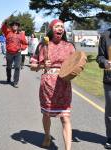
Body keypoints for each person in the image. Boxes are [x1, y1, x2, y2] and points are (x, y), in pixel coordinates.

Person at [30, 19, 75, 150]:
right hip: (47, 84)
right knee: (46, 114)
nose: (60, 28)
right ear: (51, 29)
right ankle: (47, 135)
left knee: (65, 117)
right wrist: (41, 65)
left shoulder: (69, 46)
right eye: (57, 26)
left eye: (62, 26)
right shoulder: (42, 45)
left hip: (64, 84)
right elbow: (32, 66)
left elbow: (76, 63)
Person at [1, 16, 28, 88]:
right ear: (11, 26)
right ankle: (8, 78)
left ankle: (15, 82)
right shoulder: (7, 32)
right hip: (9, 53)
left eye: (16, 25)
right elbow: (3, 27)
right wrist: (6, 21)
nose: (14, 26)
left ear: (18, 26)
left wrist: (21, 48)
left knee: (17, 67)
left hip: (17, 53)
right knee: (9, 67)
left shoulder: (21, 34)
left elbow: (25, 44)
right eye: (13, 25)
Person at [96, 28, 111, 149]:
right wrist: (105, 62)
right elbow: (99, 57)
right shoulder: (105, 36)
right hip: (109, 80)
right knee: (110, 112)